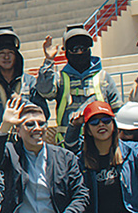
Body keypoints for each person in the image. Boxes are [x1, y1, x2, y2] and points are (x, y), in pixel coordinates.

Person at [37, 24, 119, 152]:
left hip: (101, 147)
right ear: (66, 52)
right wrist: (48, 61)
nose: (80, 52)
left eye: (83, 48)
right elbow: (44, 91)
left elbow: (117, 111)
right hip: (68, 148)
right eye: (74, 49)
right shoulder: (61, 78)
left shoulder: (103, 78)